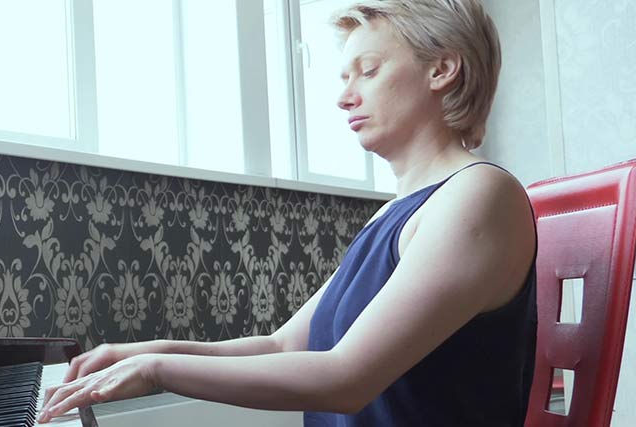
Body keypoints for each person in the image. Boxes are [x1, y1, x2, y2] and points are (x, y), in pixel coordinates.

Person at [36, 0, 537, 425]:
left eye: (369, 70)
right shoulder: (391, 216)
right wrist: (145, 351)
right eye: (344, 78)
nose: (344, 98)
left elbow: (345, 378)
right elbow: (282, 346)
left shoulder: (479, 196)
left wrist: (157, 371)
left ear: (441, 69)